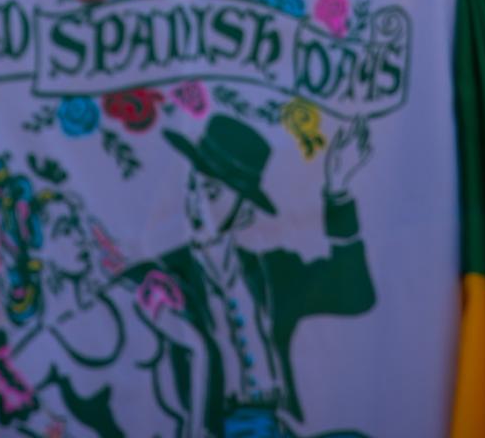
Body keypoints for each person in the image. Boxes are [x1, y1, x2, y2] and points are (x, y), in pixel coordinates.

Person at [123, 111, 376, 438]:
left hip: (276, 425)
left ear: (243, 212)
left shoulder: (271, 271)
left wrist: (337, 193)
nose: (196, 204)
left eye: (212, 193)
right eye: (192, 188)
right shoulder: (164, 276)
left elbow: (355, 294)